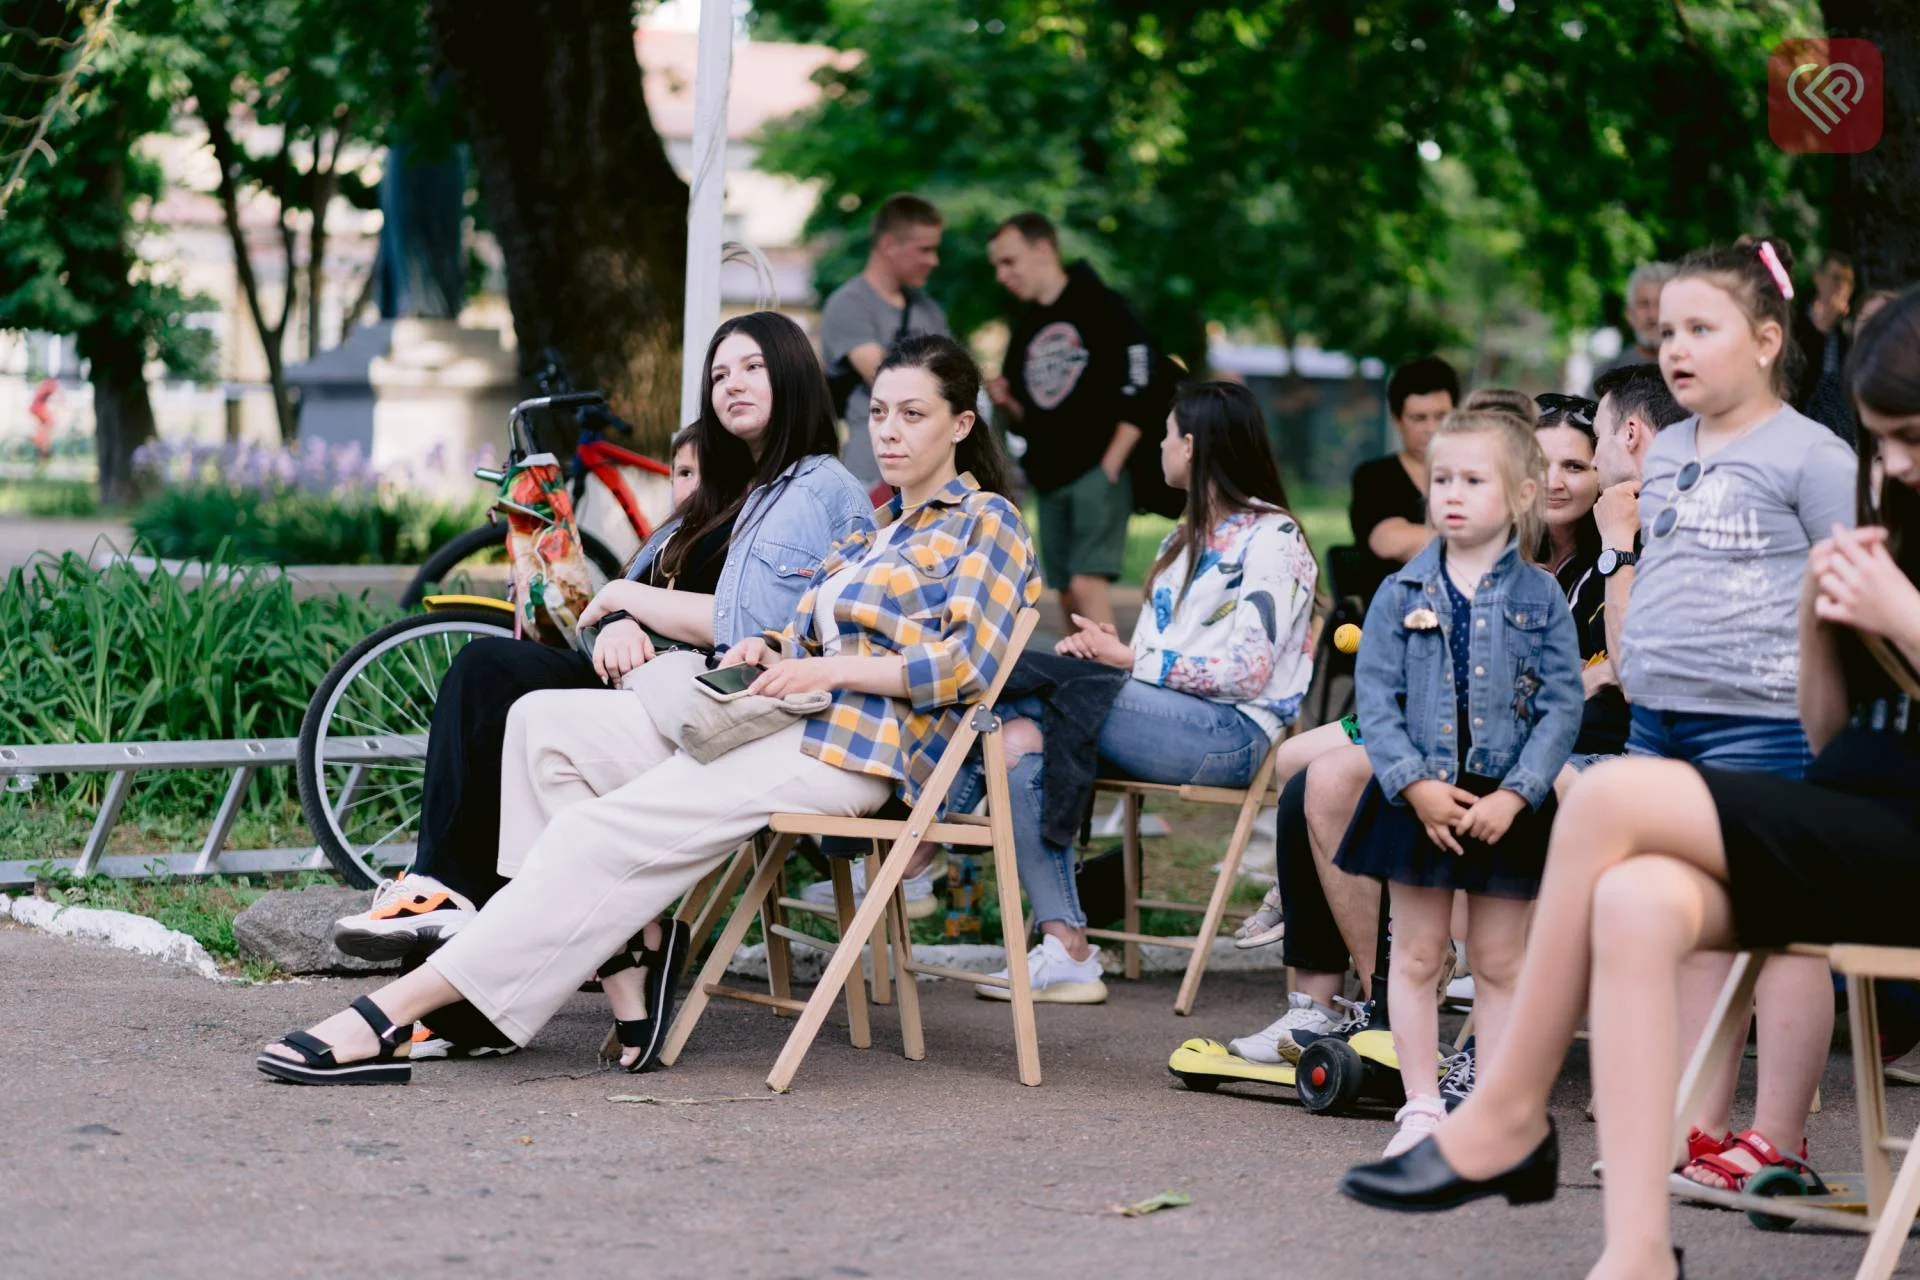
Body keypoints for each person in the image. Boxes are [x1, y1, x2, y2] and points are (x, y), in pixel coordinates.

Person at [258, 334, 1040, 1083]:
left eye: (914, 414)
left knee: (597, 833)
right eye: (879, 413)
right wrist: (769, 651)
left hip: (852, 753)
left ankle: (390, 1013)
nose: (890, 432)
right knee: (539, 724)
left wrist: (829, 668)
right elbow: (794, 629)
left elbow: (967, 665)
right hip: (779, 714)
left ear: (961, 424)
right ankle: (630, 964)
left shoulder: (988, 525)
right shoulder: (878, 531)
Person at [1340, 283, 1920, 1280]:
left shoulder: (1818, 476)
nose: (1897, 465)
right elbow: (1831, 727)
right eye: (1884, 442)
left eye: (1910, 437)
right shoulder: (1886, 510)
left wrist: (1902, 612)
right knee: (1634, 897)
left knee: (1603, 795)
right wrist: (1823, 626)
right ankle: (1639, 1248)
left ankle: (1511, 1114)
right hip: (1849, 800)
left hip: (1901, 835)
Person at [330, 312, 876, 967]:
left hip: (705, 698)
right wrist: (615, 615)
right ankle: (447, 902)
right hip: (636, 675)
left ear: (792, 372)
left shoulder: (821, 490)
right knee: (487, 674)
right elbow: (628, 594)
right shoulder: (717, 499)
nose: (732, 384)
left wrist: (625, 600)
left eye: (753, 367)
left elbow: (759, 630)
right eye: (720, 373)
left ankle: (458, 915)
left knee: (492, 676)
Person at [1613, 239, 1856, 1195]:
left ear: (1764, 339)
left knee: (1782, 934)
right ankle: (1698, 1128)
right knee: (1698, 931)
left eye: (1699, 329)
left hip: (1762, 725)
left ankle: (1779, 1138)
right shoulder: (1668, 447)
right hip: (1660, 721)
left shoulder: (1812, 453)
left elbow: (1850, 592)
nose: (1674, 347)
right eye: (1667, 329)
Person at [958, 381, 1317, 1003]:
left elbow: (1246, 672)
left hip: (1230, 736)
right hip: (1157, 724)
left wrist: (1128, 659)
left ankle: (931, 817)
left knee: (1028, 678)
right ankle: (1066, 948)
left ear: (1191, 444)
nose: (1158, 445)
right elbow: (1150, 664)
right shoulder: (1179, 543)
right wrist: (1109, 651)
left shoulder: (1274, 540)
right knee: (1017, 743)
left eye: (1165, 433)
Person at [1336, 409, 1583, 1154]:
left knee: (1501, 961)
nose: (1452, 493)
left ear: (1520, 496)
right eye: (1442, 478)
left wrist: (1518, 793)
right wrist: (1412, 786)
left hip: (1506, 799)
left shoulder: (1541, 599)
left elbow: (1561, 704)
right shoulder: (1398, 590)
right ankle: (1420, 1104)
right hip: (1420, 798)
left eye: (1474, 480)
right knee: (1414, 957)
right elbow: (1374, 702)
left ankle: (1494, 1105)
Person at [986, 212, 1153, 631]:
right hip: (1050, 475)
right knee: (1064, 589)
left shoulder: (1102, 306)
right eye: (997, 266)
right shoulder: (1026, 327)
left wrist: (1112, 464)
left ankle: (1105, 685)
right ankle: (1082, 678)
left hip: (1097, 468)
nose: (1002, 275)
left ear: (1043, 249)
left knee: (1086, 581)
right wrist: (1007, 400)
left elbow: (1144, 384)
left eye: (1009, 262)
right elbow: (1029, 419)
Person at [819, 194, 951, 499]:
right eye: (925, 249)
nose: (934, 260)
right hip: (871, 476)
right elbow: (887, 382)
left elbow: (956, 385)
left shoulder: (928, 309)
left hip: (931, 478)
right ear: (890, 245)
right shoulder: (849, 304)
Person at [1349, 356, 1458, 607]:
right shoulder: (1374, 477)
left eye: (1441, 416)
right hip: (1394, 616)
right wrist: (1479, 543)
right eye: (1419, 418)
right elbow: (1390, 543)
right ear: (1397, 420)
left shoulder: (1476, 473)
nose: (1431, 428)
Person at [1791, 249, 1855, 441]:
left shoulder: (1848, 333)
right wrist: (1821, 328)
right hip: (1797, 423)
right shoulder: (1794, 323)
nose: (1841, 286)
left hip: (1836, 431)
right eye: (1836, 278)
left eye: (1848, 282)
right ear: (1818, 278)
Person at [1591, 261, 1678, 386]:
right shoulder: (1605, 376)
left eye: (1660, 303)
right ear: (1629, 313)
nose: (1652, 315)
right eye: (1644, 304)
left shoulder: (1695, 369)